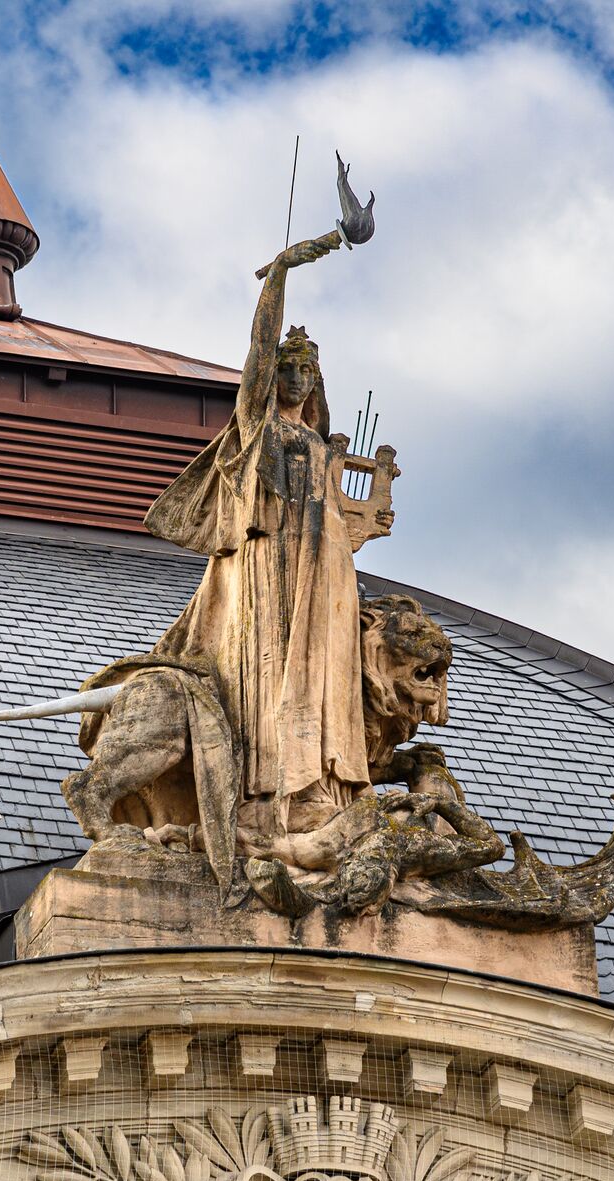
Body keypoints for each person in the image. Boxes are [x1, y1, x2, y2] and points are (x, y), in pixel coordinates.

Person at [144, 230, 380, 841]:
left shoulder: (316, 440)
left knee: (323, 670)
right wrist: (282, 270)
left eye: (306, 369)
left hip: (323, 566)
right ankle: (269, 788)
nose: (296, 377)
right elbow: (256, 350)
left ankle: (322, 786)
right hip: (271, 560)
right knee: (272, 665)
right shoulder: (259, 426)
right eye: (287, 367)